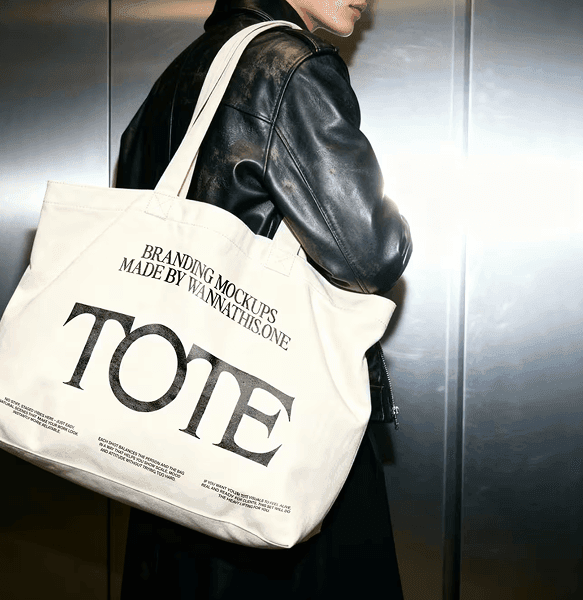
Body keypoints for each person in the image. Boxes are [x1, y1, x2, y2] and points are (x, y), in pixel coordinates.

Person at [115, 0, 412, 598]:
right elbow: (372, 252)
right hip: (263, 427)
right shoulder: (287, 67)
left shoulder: (184, 72)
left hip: (166, 415)